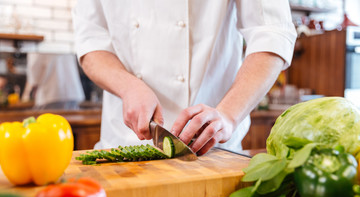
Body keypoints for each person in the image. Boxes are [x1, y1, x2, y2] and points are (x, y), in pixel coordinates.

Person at [73, 1, 297, 155]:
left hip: (211, 150)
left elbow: (272, 33)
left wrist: (228, 115)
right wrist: (128, 86)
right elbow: (91, 42)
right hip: (122, 145)